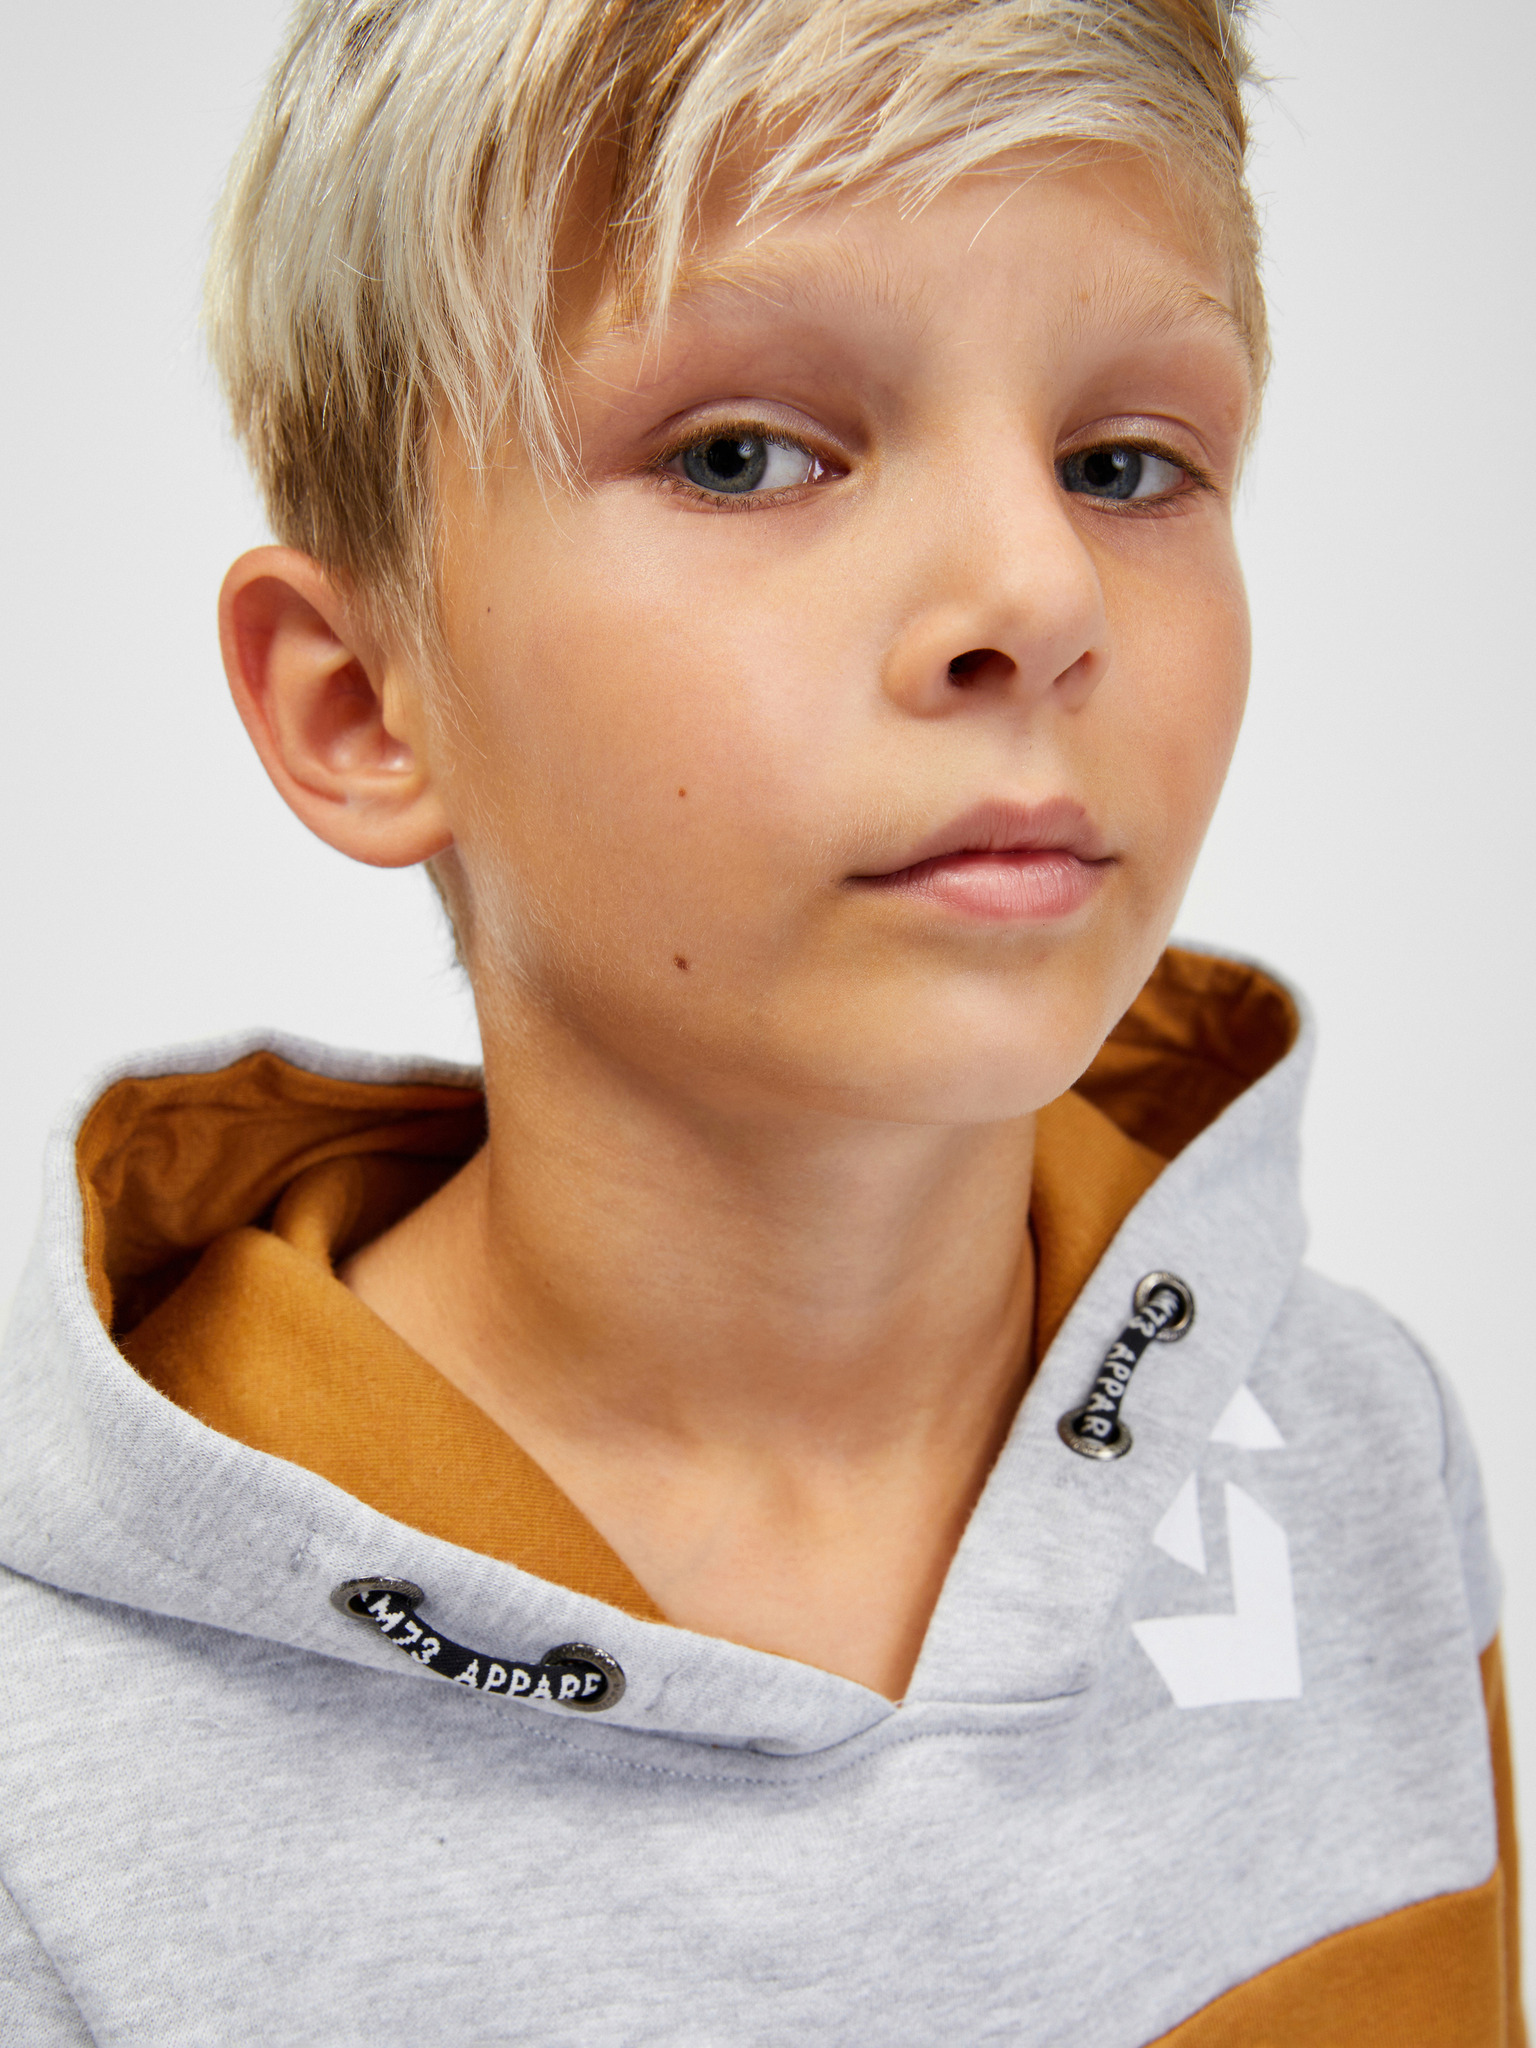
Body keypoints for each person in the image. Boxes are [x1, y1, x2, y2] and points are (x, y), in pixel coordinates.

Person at [0, 0, 1519, 2039]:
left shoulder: (1352, 1440)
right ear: (359, 703)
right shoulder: (52, 1772)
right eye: (742, 455)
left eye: (1123, 464)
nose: (1038, 591)